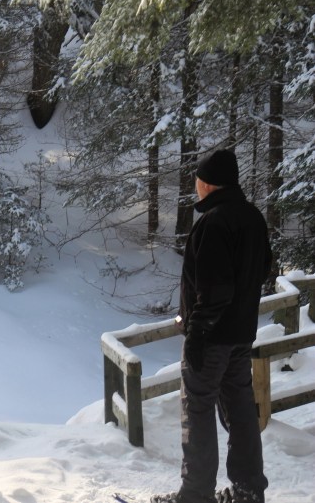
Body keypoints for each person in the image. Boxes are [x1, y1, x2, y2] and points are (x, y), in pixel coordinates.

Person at [152, 150, 272, 503]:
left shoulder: (214, 223)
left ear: (206, 183)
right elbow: (262, 268)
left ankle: (195, 495)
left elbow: (215, 289)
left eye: (197, 181)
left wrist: (198, 334)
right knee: (240, 411)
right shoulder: (252, 217)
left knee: (198, 411)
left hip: (212, 338)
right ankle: (248, 491)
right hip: (240, 335)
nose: (195, 187)